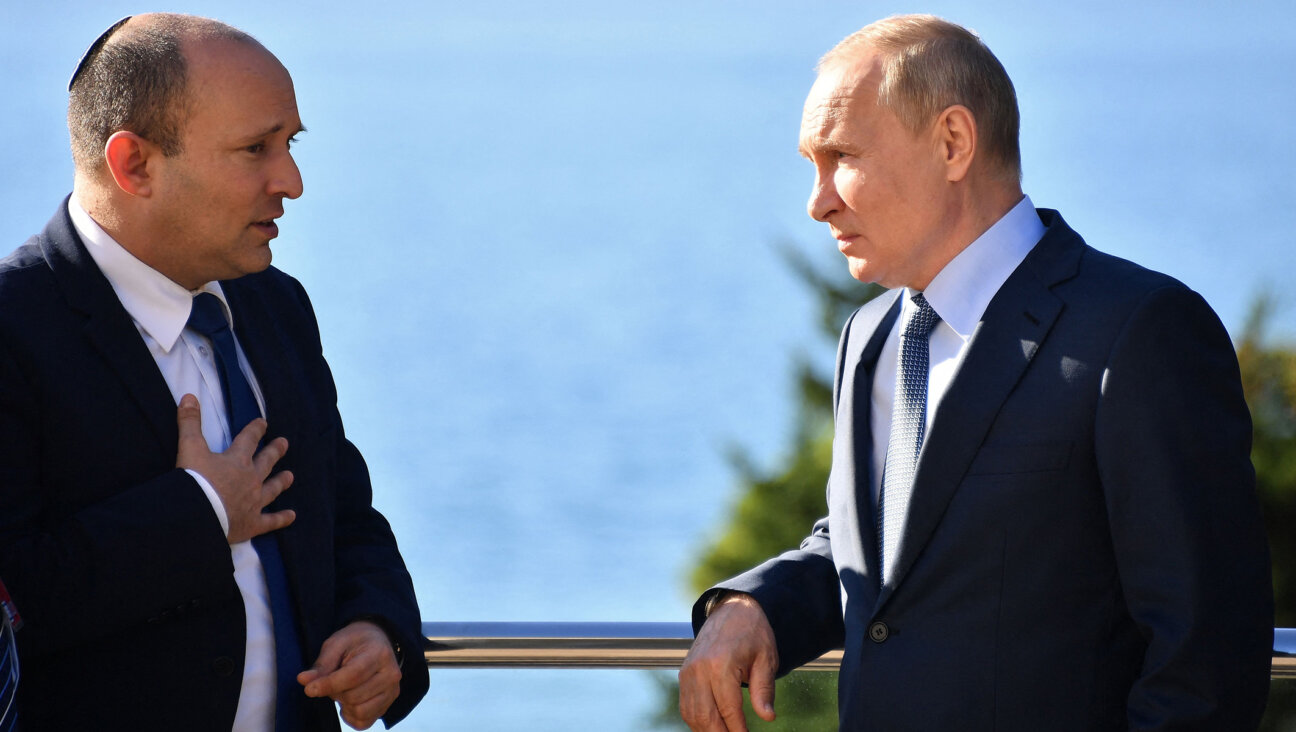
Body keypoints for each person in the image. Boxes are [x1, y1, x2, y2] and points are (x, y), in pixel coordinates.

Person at [678, 14, 1273, 732]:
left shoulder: (1140, 332)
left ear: (953, 142)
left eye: (841, 156)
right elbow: (887, 551)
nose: (817, 201)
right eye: (812, 163)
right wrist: (755, 604)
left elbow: (1206, 663)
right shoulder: (868, 337)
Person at [0, 14, 429, 731]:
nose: (291, 182)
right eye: (255, 149)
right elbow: (15, 598)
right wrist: (200, 512)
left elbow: (346, 518)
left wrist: (377, 626)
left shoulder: (276, 305)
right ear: (134, 165)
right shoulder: (15, 330)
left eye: (289, 144)